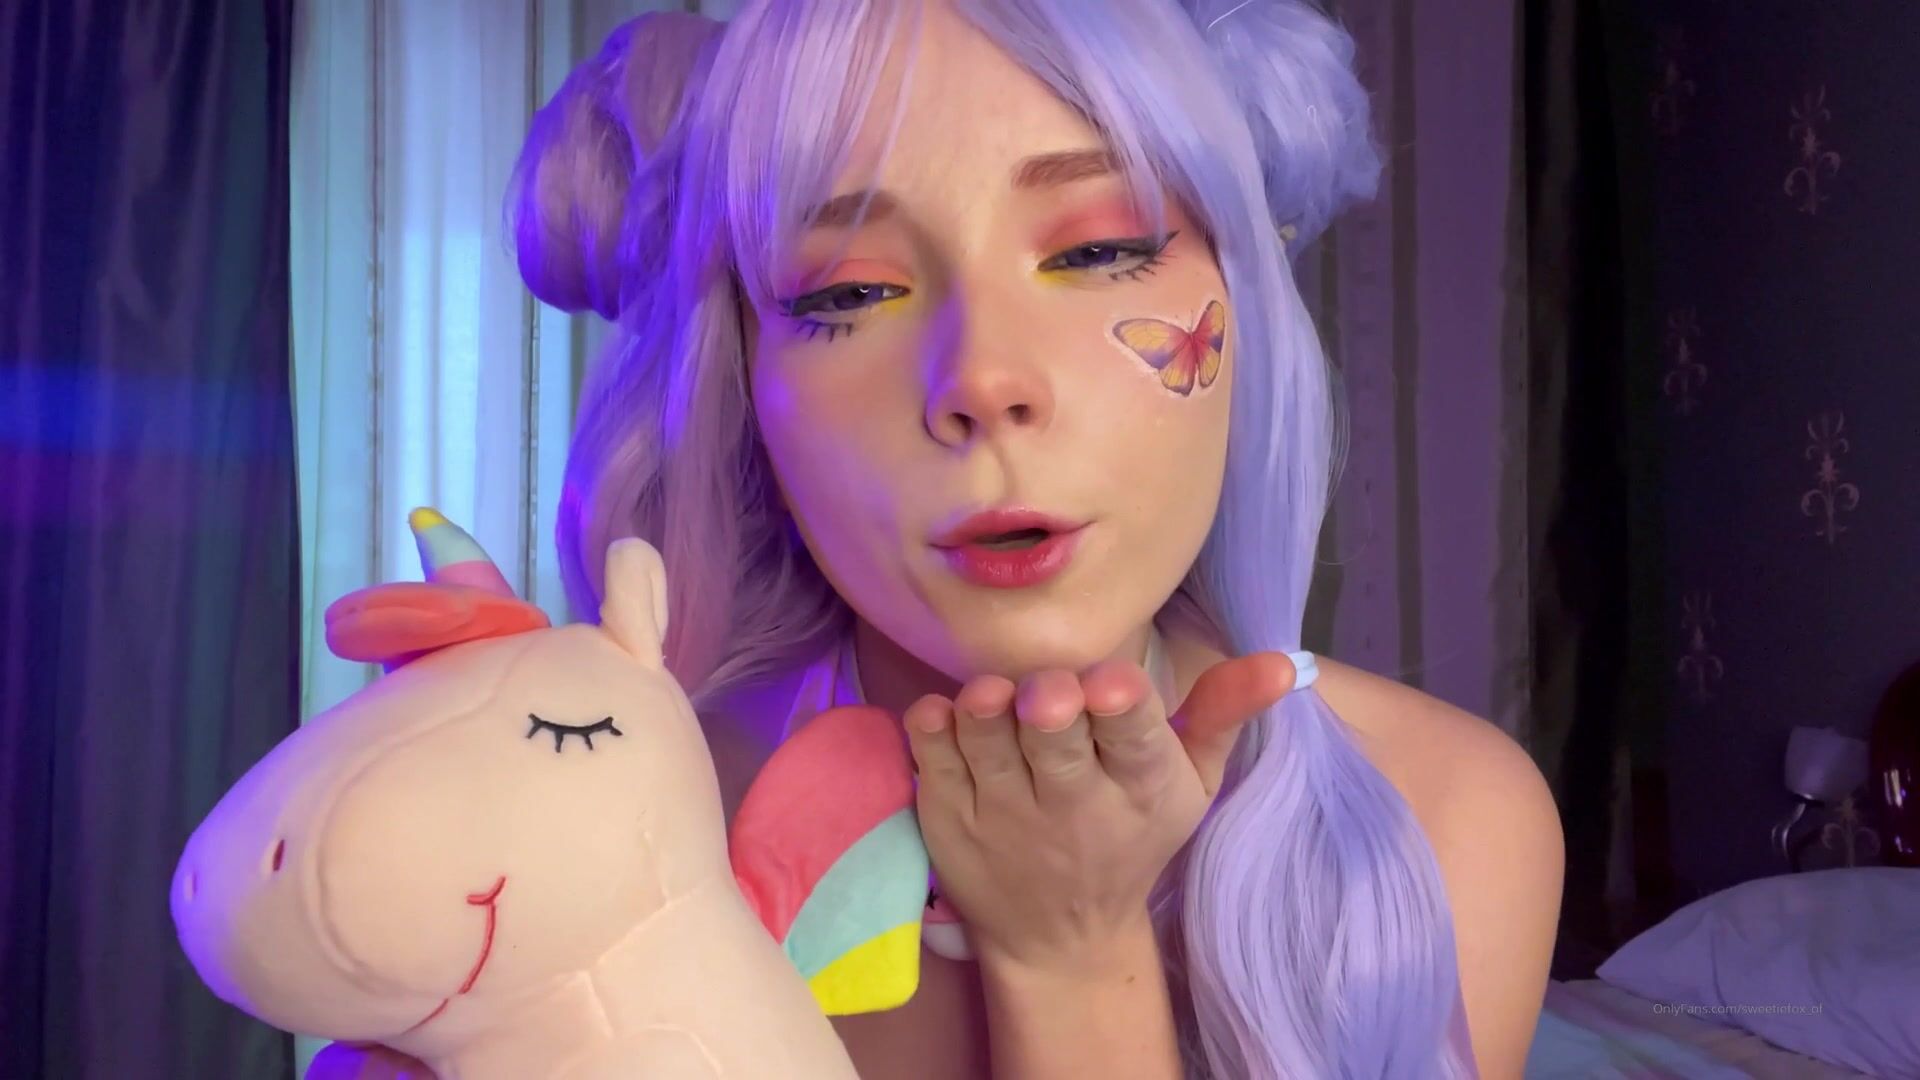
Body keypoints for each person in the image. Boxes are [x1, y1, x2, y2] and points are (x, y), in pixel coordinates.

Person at [321, 1, 1562, 1077]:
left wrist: (1070, 957)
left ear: (1246, 297)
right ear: (744, 376)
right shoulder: (613, 827)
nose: (981, 380)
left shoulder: (1442, 815)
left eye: (1101, 249)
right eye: (850, 292)